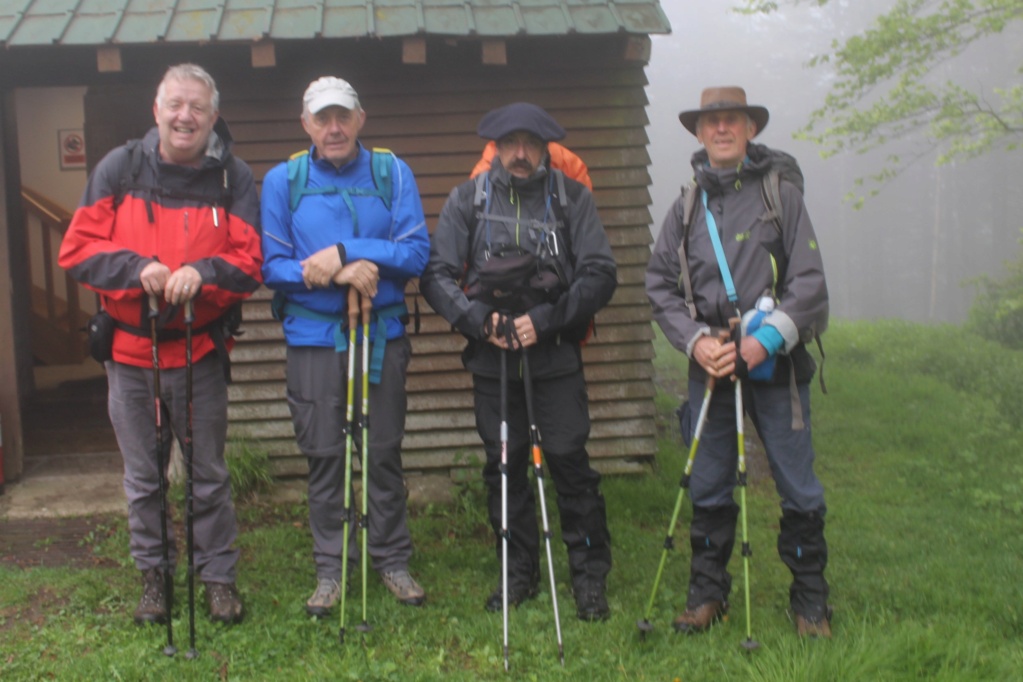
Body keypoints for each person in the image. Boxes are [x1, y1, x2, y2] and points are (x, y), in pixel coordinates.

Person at [59, 63, 262, 625]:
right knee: (143, 479)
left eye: (197, 107)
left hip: (199, 353)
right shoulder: (119, 168)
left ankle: (218, 578)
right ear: (157, 110)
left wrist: (202, 271)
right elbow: (76, 251)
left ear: (213, 116)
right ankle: (154, 577)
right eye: (175, 104)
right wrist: (135, 266)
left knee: (208, 475)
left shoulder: (233, 178)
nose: (185, 116)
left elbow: (250, 262)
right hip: (129, 357)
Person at [645, 86, 832, 638]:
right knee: (708, 483)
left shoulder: (781, 195)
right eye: (712, 122)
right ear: (699, 134)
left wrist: (768, 338)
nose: (722, 128)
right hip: (713, 366)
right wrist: (694, 340)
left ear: (750, 130)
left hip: (779, 368)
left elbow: (810, 283)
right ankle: (707, 595)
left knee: (798, 486)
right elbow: (659, 283)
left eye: (732, 120)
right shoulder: (684, 206)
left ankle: (811, 603)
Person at [421, 102, 618, 621]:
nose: (522, 153)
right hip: (494, 359)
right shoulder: (468, 200)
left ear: (547, 148)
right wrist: (478, 320)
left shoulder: (572, 199)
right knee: (503, 467)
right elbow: (437, 275)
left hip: (554, 354)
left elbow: (600, 273)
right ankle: (517, 572)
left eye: (532, 144)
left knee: (570, 463)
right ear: (496, 147)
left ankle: (589, 575)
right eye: (512, 144)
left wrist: (548, 319)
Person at [260, 76, 430, 615]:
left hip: (379, 333)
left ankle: (391, 559)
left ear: (360, 119)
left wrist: (343, 250)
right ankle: (330, 569)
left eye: (343, 116)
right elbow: (274, 266)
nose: (333, 128)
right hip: (313, 337)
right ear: (306, 124)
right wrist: (336, 273)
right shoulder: (282, 180)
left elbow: (416, 252)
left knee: (382, 451)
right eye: (322, 118)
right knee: (326, 455)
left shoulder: (391, 172)